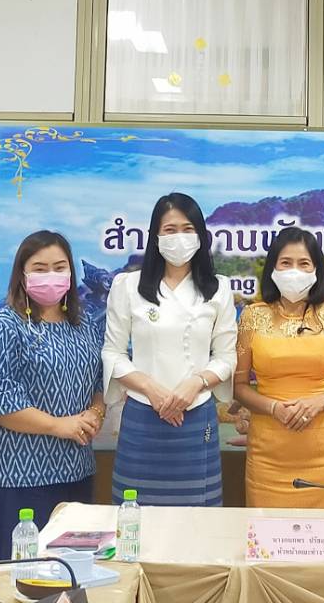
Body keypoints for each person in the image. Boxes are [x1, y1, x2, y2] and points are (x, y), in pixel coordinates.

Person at [0, 231, 105, 559]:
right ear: (22, 275)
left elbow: (98, 383)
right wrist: (58, 426)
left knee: (69, 571)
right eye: (40, 268)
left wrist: (95, 413)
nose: (50, 276)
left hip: (76, 471)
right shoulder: (4, 325)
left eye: (59, 267)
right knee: (13, 573)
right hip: (18, 476)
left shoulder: (84, 326)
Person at [103, 193, 237, 507]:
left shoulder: (218, 288)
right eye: (170, 229)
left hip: (196, 414)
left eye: (188, 229)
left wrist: (195, 384)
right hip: (142, 415)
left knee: (197, 517)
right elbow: (113, 353)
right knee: (135, 516)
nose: (179, 237)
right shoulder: (128, 285)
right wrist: (152, 390)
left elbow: (226, 356)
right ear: (156, 236)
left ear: (201, 236)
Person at [233, 227, 324, 507]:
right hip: (267, 453)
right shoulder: (252, 316)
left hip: (323, 452)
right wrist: (273, 408)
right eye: (286, 263)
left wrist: (321, 401)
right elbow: (239, 387)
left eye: (304, 263)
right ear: (273, 268)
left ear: (317, 269)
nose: (295, 270)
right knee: (267, 531)